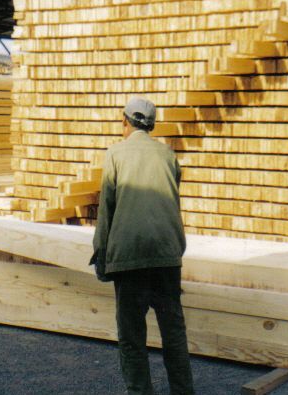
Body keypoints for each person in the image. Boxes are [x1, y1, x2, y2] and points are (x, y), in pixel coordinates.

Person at [91, 97, 194, 395]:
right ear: (152, 125)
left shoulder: (115, 154)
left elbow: (106, 210)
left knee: (132, 336)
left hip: (129, 256)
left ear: (125, 121)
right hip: (167, 255)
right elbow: (171, 204)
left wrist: (102, 255)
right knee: (173, 333)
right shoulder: (168, 155)